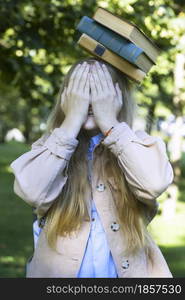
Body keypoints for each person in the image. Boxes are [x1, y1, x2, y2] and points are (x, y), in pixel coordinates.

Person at [10, 57, 174, 278]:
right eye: (80, 91)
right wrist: (71, 120)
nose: (88, 101)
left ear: (116, 97)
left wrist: (110, 123)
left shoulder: (134, 146)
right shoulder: (50, 150)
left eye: (98, 89)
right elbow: (31, 190)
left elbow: (154, 183)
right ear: (67, 98)